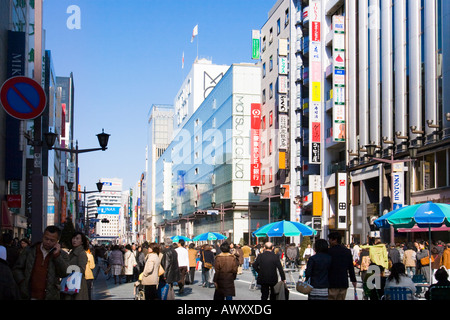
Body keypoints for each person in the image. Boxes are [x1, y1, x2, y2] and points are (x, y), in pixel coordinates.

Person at [12, 226, 69, 300]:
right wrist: (22, 282)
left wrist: (57, 256)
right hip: (28, 295)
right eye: (46, 238)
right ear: (43, 237)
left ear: (57, 241)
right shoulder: (30, 250)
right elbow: (17, 269)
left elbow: (65, 273)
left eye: (52, 240)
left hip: (50, 296)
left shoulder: (62, 254)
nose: (48, 242)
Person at [327, 232, 357, 300]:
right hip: (343, 282)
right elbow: (350, 267)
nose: (329, 241)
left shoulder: (329, 251)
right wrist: (353, 280)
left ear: (335, 240)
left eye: (330, 239)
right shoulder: (347, 251)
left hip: (332, 282)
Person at [63, 231, 89, 300]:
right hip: (70, 281)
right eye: (73, 238)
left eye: (77, 239)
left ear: (82, 241)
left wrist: (69, 268)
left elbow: (82, 269)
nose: (74, 240)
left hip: (77, 283)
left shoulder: (81, 253)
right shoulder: (72, 252)